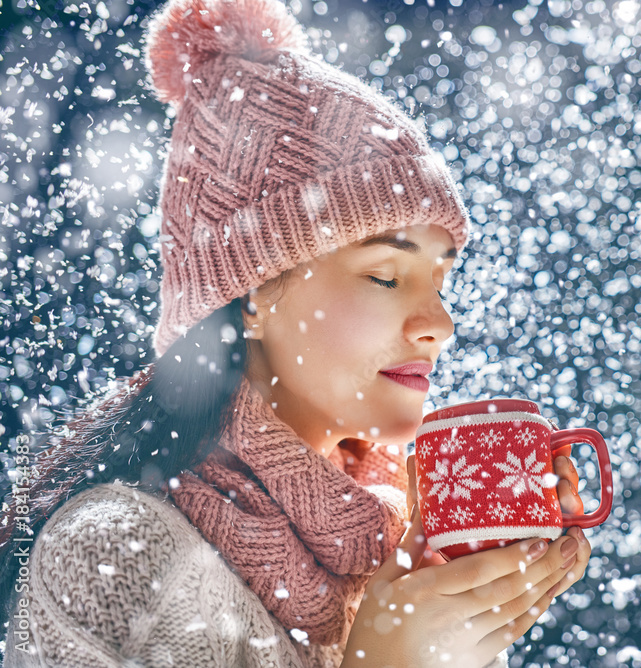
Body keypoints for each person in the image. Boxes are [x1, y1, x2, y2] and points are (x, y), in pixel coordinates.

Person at [0, 0, 593, 665]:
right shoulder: (112, 553)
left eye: (440, 282)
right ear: (249, 296)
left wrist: (465, 588)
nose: (440, 327)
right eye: (386, 276)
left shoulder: (385, 555)